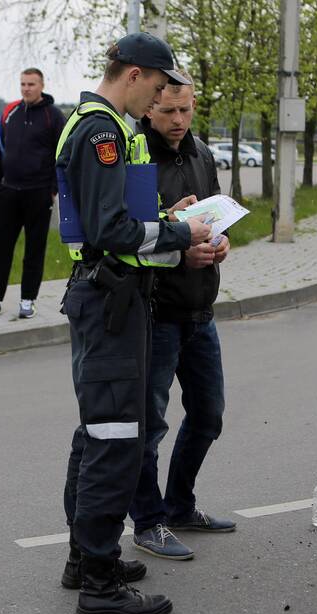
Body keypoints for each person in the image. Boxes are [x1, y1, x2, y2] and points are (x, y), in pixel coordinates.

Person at [56, 32, 211, 614]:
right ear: (135, 74)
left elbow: (117, 218)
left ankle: (84, 558)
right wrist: (179, 234)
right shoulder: (102, 130)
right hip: (110, 300)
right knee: (114, 438)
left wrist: (166, 220)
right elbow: (110, 229)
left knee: (101, 432)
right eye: (158, 85)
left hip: (110, 298)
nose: (161, 98)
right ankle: (98, 582)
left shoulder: (103, 125)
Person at [127, 70, 234, 562]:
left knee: (208, 416)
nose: (177, 119)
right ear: (149, 106)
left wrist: (218, 243)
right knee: (149, 426)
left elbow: (212, 217)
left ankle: (180, 505)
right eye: (168, 110)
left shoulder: (202, 153)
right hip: (156, 310)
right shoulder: (136, 156)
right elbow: (128, 234)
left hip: (200, 309)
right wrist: (177, 246)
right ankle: (148, 523)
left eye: (186, 110)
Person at [0, 68, 66, 319]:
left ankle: (28, 300)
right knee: (1, 249)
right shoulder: (10, 112)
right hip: (7, 193)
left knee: (34, 250)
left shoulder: (53, 116)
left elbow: (62, 155)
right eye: (22, 84)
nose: (26, 88)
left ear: (41, 85)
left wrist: (52, 189)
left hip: (38, 194)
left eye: (31, 84)